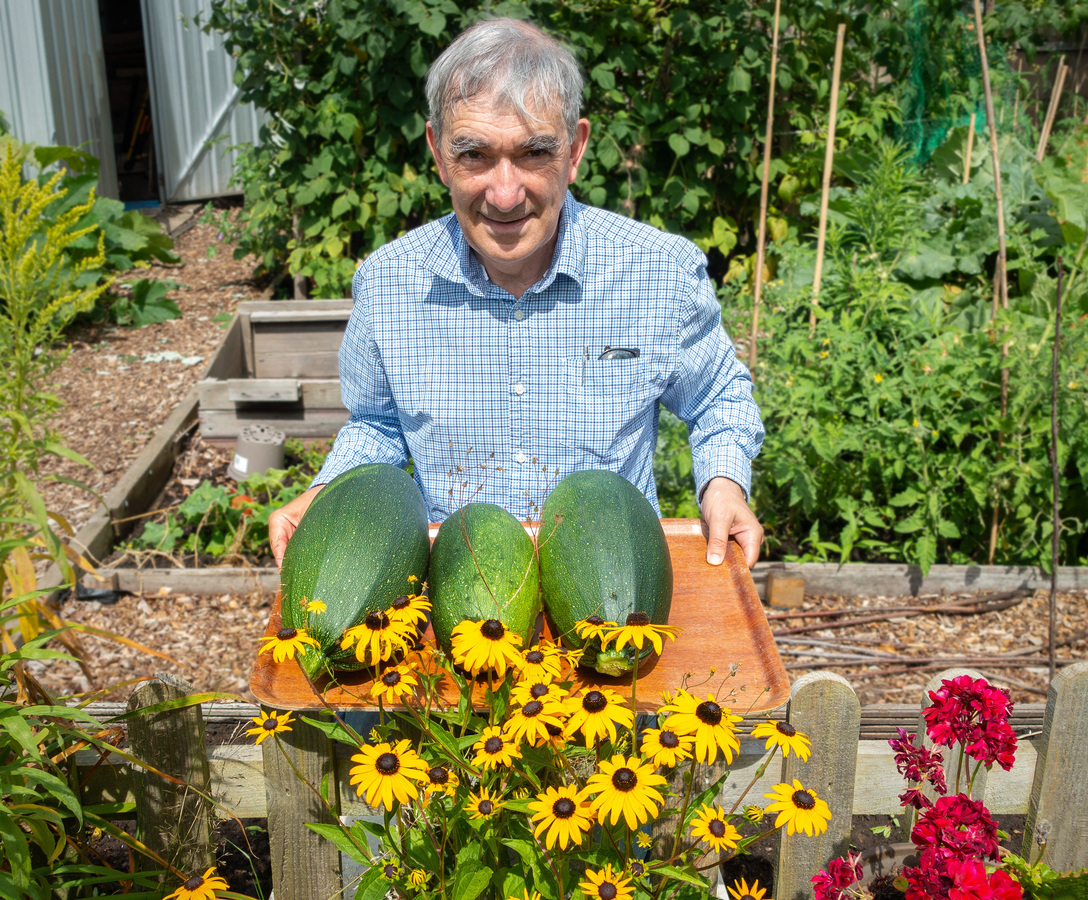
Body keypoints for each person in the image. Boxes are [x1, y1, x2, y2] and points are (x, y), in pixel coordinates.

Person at [269, 17, 764, 570]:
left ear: (574, 151)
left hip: (613, 587)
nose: (505, 195)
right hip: (459, 593)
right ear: (438, 154)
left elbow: (718, 395)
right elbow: (376, 426)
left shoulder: (655, 274)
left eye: (533, 154)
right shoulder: (390, 284)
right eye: (474, 155)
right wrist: (330, 491)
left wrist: (724, 484)